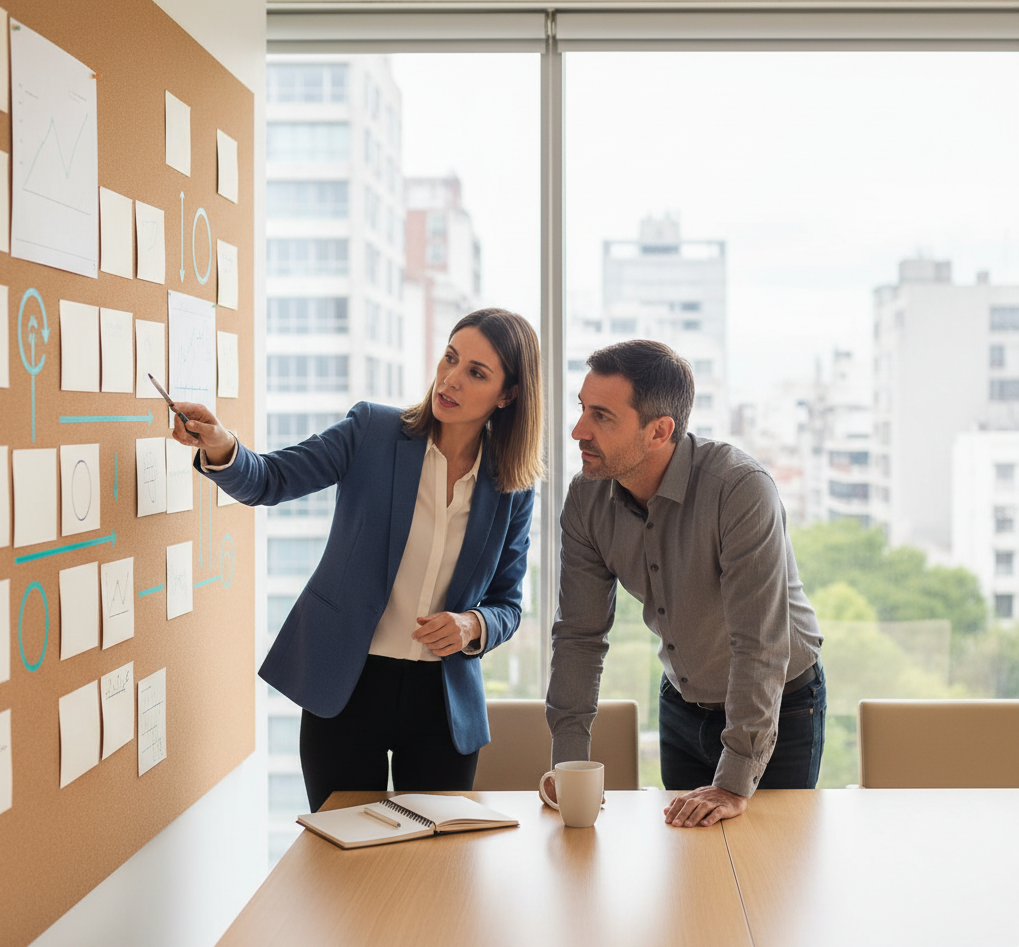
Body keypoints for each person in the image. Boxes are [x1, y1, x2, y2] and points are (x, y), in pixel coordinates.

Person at [171, 308, 543, 810]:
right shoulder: (373, 431)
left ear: (508, 395)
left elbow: (508, 604)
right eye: (450, 358)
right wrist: (222, 445)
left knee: (431, 868)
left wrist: (473, 625)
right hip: (346, 685)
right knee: (338, 860)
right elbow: (271, 479)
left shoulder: (512, 486)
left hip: (442, 703)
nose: (450, 379)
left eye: (476, 372)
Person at [546, 339, 824, 828]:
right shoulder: (586, 498)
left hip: (779, 706)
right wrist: (569, 763)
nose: (578, 431)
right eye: (582, 409)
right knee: (687, 872)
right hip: (681, 704)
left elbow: (757, 645)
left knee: (766, 878)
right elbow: (579, 636)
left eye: (602, 417)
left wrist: (734, 782)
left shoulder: (738, 489)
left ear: (659, 431)